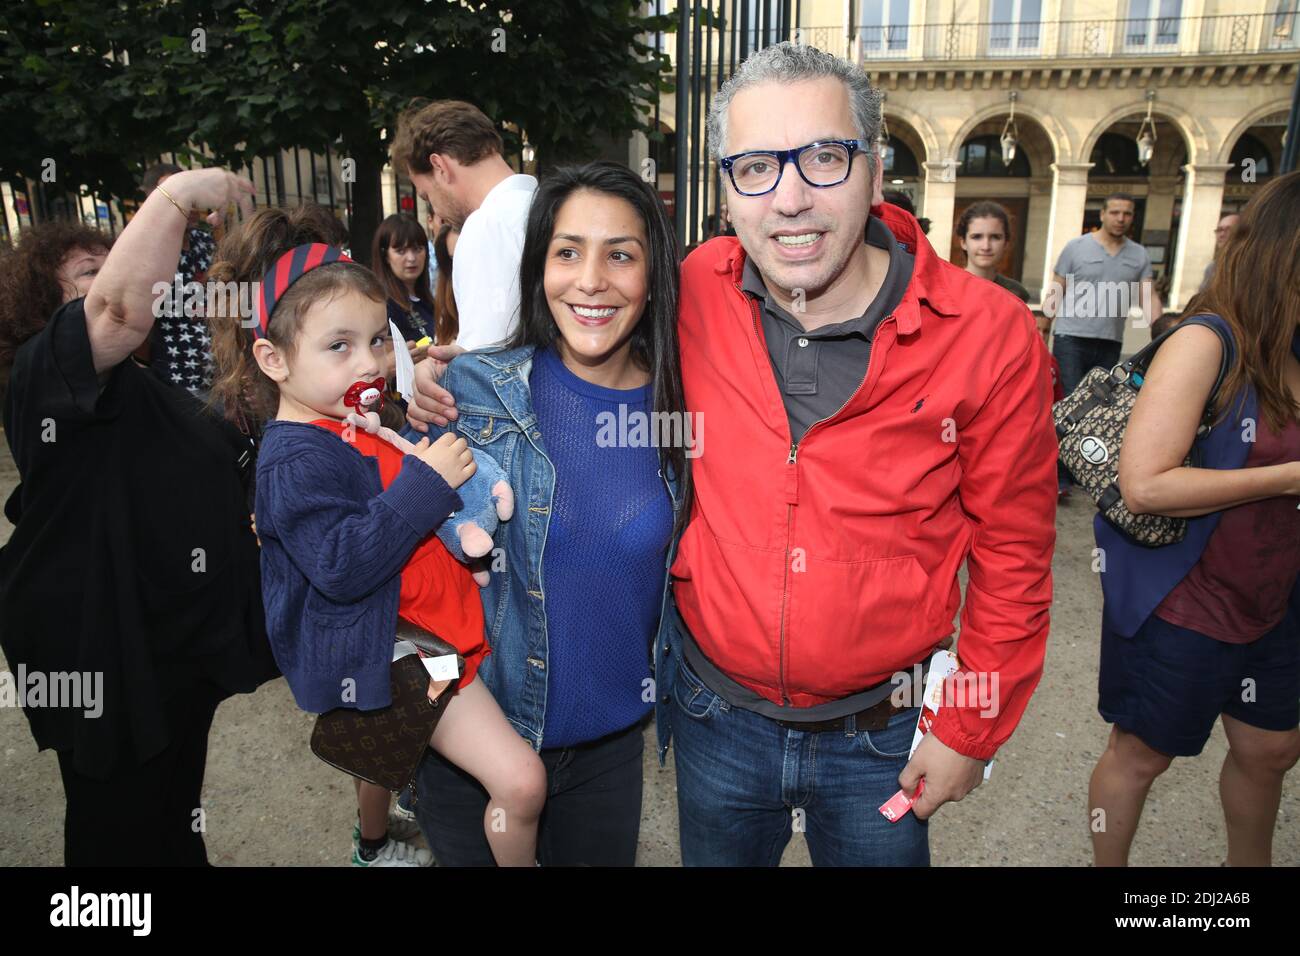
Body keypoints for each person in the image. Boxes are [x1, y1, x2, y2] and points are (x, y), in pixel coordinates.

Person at [408, 42, 1057, 868]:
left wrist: (969, 728)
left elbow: (1016, 557)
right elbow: (579, 333)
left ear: (875, 164)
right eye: (755, 167)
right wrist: (457, 382)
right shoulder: (696, 292)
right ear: (724, 186)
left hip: (882, 736)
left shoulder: (987, 332)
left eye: (824, 157)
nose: (789, 199)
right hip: (716, 725)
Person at [205, 200, 546, 868]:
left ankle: (381, 837)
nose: (369, 363)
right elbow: (340, 563)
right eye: (339, 346)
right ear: (272, 359)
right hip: (406, 655)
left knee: (394, 760)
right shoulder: (293, 457)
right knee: (520, 780)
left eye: (376, 340)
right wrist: (429, 485)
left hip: (429, 634)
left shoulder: (346, 417)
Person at [405, 161, 688, 866]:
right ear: (539, 269)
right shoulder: (476, 390)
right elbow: (400, 539)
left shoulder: (684, 410)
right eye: (567, 252)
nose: (591, 280)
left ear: (653, 276)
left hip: (609, 754)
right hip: (476, 747)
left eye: (620, 254)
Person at [0, 169, 278, 866]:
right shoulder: (46, 371)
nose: (121, 282)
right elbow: (117, 312)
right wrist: (179, 194)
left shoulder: (141, 382)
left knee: (172, 812)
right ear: (45, 305)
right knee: (115, 829)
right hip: (102, 648)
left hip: (169, 650)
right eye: (89, 273)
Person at [1087, 170, 1300, 867]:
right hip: (1188, 599)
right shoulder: (1208, 342)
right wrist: (1288, 477)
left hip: (1279, 595)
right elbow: (1145, 485)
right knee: (1141, 756)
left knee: (1269, 751)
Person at [391, 99, 537, 351]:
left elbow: (484, 366)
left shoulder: (485, 227)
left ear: (440, 166)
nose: (436, 211)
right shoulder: (544, 202)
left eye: (427, 196)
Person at [1045, 193, 1156, 397]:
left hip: (1110, 342)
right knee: (1070, 397)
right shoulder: (1076, 247)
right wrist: (1043, 325)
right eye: (1115, 212)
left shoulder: (1139, 254)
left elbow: (1148, 296)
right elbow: (1057, 287)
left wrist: (1161, 330)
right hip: (1071, 339)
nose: (1121, 219)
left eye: (1127, 214)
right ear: (1102, 214)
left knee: (1098, 401)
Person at [140, 162, 220, 399]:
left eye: (191, 193)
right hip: (175, 382)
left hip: (219, 379)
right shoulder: (144, 251)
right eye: (176, 195)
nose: (189, 203)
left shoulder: (205, 242)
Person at [371, 213, 435, 367]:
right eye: (401, 251)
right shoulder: (380, 305)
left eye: (418, 249)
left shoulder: (427, 300)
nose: (411, 258)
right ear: (385, 255)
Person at [956, 201, 1030, 303]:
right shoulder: (945, 289)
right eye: (977, 237)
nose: (986, 246)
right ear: (963, 242)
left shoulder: (1016, 293)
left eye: (995, 237)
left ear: (1006, 243)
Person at [1199, 211, 1240, 292]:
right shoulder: (1212, 268)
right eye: (1219, 230)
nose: (1222, 234)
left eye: (1228, 230)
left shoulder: (1252, 266)